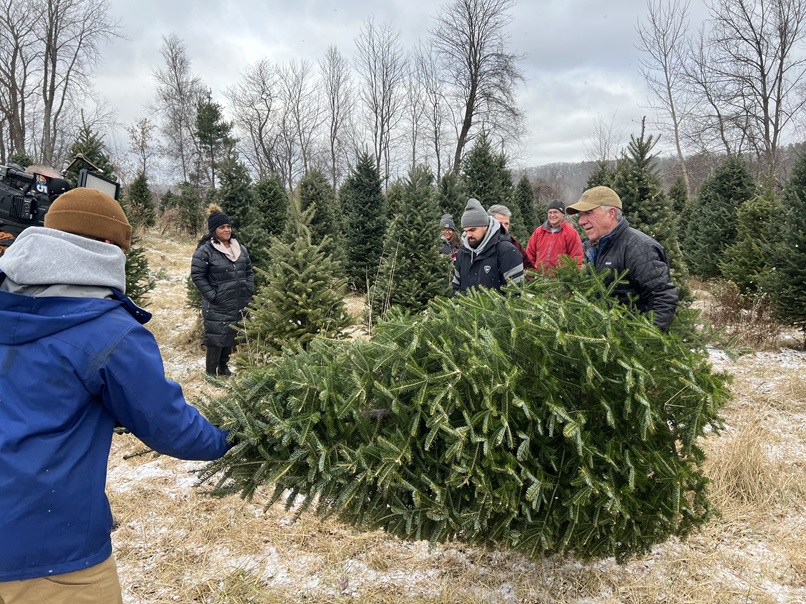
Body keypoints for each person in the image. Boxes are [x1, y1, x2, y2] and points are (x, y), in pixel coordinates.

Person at [0, 188, 231, 602]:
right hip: (50, 551)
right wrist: (230, 436)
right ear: (106, 247)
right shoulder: (109, 331)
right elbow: (169, 426)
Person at [565, 186, 678, 330]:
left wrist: (643, 341)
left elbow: (663, 297)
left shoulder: (638, 247)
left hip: (630, 343)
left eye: (588, 213)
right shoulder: (594, 247)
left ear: (611, 213)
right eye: (581, 215)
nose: (581, 221)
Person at [191, 204, 255, 376]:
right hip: (218, 303)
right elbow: (197, 276)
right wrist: (213, 295)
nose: (226, 230)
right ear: (214, 230)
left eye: (228, 226)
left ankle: (224, 368)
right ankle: (211, 372)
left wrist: (248, 288)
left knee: (230, 334)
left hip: (238, 300)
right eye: (222, 227)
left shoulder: (240, 249)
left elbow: (248, 270)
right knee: (216, 337)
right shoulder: (206, 251)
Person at [452, 198, 524, 295]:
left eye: (472, 230)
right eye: (466, 231)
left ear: (485, 226)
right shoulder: (463, 253)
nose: (468, 235)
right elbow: (456, 289)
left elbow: (516, 293)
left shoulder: (507, 251)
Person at [525, 199, 584, 274]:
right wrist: (530, 272)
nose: (552, 215)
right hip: (539, 279)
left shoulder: (571, 233)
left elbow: (576, 257)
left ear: (563, 214)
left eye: (555, 212)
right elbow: (529, 253)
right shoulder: (539, 232)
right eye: (550, 212)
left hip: (560, 280)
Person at [487, 204, 536, 271]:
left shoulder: (513, 243)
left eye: (506, 224)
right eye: (499, 224)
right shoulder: (480, 244)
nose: (503, 227)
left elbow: (529, 268)